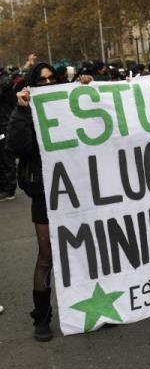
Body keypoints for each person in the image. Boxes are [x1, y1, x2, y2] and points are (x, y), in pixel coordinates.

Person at [6, 63, 92, 341]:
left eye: (51, 79)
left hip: (78, 188)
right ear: (32, 82)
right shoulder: (24, 108)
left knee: (89, 250)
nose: (46, 83)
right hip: (45, 191)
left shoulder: (70, 102)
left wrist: (92, 87)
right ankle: (42, 317)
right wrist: (21, 109)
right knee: (46, 256)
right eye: (40, 80)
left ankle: (94, 306)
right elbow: (16, 146)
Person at [0, 66, 17, 201]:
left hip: (4, 126)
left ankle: (9, 189)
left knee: (6, 158)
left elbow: (7, 83)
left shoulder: (5, 83)